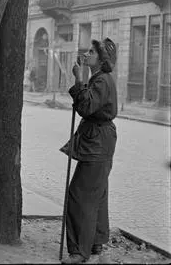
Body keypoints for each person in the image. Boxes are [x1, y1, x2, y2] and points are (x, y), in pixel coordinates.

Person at [62, 38, 117, 264]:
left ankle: (79, 251)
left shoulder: (101, 81)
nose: (87, 53)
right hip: (99, 140)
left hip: (97, 143)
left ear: (102, 59)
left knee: (79, 195)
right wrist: (83, 79)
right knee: (97, 192)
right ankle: (95, 241)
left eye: (92, 51)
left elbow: (86, 107)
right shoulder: (100, 79)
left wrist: (78, 79)